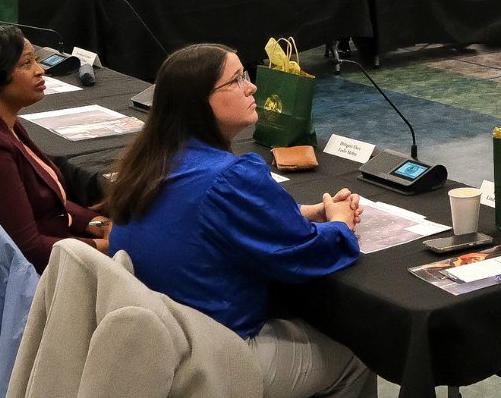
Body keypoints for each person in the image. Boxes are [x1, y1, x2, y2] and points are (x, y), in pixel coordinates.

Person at [107, 44, 375, 398]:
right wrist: (340, 225)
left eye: (245, 75)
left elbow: (199, 222)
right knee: (361, 351)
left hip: (160, 347)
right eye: (235, 81)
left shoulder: (150, 161)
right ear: (200, 102)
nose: (252, 88)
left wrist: (302, 213)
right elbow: (306, 255)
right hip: (215, 356)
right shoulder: (231, 176)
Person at [0, 26, 109, 273]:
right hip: (29, 282)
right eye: (27, 63)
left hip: (54, 248)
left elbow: (45, 199)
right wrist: (107, 247)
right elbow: (27, 250)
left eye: (36, 60)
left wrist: (97, 223)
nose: (41, 70)